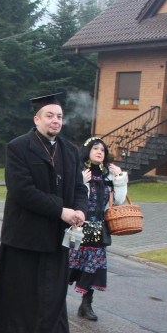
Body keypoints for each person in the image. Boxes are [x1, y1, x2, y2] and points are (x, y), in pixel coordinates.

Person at [0, 92, 87, 333]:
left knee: (54, 295)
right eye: (50, 116)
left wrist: (79, 209)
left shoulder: (71, 151)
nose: (55, 121)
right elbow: (22, 191)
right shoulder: (18, 148)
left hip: (56, 239)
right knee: (12, 290)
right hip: (23, 235)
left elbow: (79, 187)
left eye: (60, 117)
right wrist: (61, 211)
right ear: (37, 119)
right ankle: (0, 332)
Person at [68, 137, 128, 321]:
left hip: (98, 230)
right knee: (66, 266)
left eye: (102, 149)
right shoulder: (79, 171)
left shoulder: (106, 175)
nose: (100, 152)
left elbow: (117, 201)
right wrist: (81, 181)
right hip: (77, 227)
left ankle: (86, 305)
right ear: (88, 151)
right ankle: (54, 303)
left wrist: (119, 179)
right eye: (95, 148)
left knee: (92, 269)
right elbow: (73, 196)